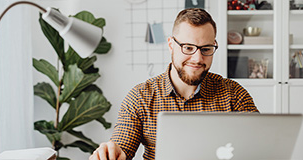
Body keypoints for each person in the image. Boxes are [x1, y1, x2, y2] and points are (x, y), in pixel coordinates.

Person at [89, 8, 259, 160]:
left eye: (206, 49)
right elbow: (122, 147)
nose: (197, 59)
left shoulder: (234, 94)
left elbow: (262, 145)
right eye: (188, 47)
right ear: (171, 45)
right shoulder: (140, 96)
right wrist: (110, 153)